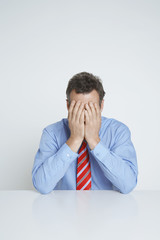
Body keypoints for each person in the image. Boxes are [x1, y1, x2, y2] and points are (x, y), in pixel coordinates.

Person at [32, 72, 138, 194]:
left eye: (91, 107)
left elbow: (128, 184)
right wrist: (74, 140)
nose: (84, 114)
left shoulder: (118, 131)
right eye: (78, 107)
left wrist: (94, 141)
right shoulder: (51, 133)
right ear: (68, 105)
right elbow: (41, 185)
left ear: (101, 105)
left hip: (106, 208)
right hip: (62, 209)